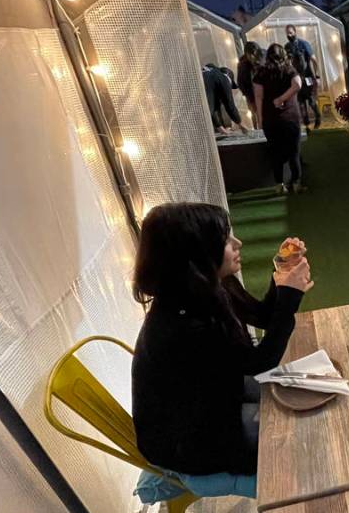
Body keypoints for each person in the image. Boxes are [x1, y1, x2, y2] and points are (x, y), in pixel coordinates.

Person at [131, 203, 312, 476]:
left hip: (210, 398)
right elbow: (260, 362)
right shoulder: (183, 323)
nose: (237, 242)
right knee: (297, 435)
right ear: (197, 254)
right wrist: (288, 298)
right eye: (225, 239)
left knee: (298, 393)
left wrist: (282, 274)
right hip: (188, 441)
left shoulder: (206, 285)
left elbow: (261, 316)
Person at [253, 44, 305, 194]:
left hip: (270, 119)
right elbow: (297, 84)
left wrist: (260, 119)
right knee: (293, 151)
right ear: (283, 54)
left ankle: (279, 185)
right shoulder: (289, 69)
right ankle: (296, 183)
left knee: (275, 153)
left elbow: (258, 97)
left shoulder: (261, 73)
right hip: (290, 118)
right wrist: (282, 98)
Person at [285, 24, 321, 132]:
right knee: (300, 102)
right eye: (287, 33)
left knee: (311, 100)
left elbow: (314, 60)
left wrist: (317, 76)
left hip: (308, 77)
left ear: (295, 32)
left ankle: (318, 117)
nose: (289, 35)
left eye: (290, 32)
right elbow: (287, 63)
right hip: (297, 79)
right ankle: (307, 125)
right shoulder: (287, 46)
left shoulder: (304, 44)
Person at [201, 63, 246, 135]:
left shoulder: (209, 75)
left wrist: (221, 129)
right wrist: (240, 124)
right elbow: (230, 105)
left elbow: (212, 107)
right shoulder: (224, 78)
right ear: (229, 78)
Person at [237, 41, 262, 129]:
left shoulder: (260, 61)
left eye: (254, 54)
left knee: (261, 111)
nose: (252, 57)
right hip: (250, 92)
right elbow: (240, 80)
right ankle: (256, 128)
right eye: (250, 54)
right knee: (254, 111)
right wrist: (245, 92)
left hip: (260, 91)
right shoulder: (242, 65)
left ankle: (262, 128)